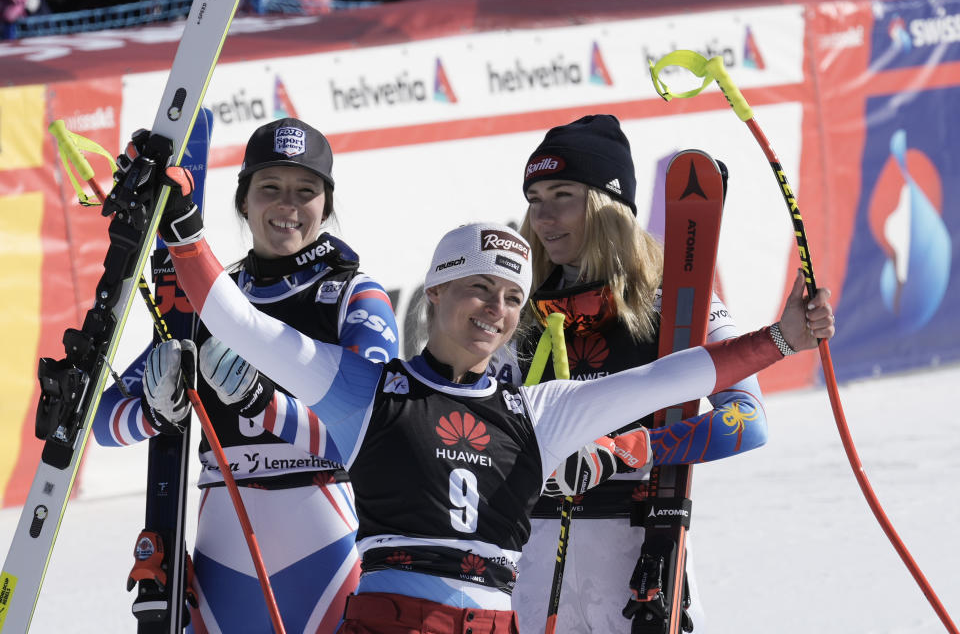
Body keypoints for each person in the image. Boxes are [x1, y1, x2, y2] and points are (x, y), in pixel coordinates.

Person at [150, 145, 834, 633]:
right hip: (394, 619)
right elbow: (236, 320)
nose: (495, 310)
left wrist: (782, 340)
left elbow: (674, 376)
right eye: (478, 288)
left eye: (511, 297)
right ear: (438, 291)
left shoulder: (538, 411)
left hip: (501, 614)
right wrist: (184, 228)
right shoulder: (366, 389)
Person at [92, 118, 400, 633]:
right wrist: (152, 409)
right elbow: (102, 421)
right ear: (243, 201)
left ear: (326, 204)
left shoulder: (354, 294)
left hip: (324, 534)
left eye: (306, 191)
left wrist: (267, 404)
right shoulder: (204, 297)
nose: (288, 207)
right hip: (224, 547)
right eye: (270, 188)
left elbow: (381, 425)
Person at [489, 114, 766, 632]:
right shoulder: (521, 313)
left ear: (606, 203)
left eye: (563, 195)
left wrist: (626, 450)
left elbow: (747, 420)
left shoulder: (673, 303)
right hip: (531, 566)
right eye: (535, 199)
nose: (544, 217)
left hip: (636, 557)